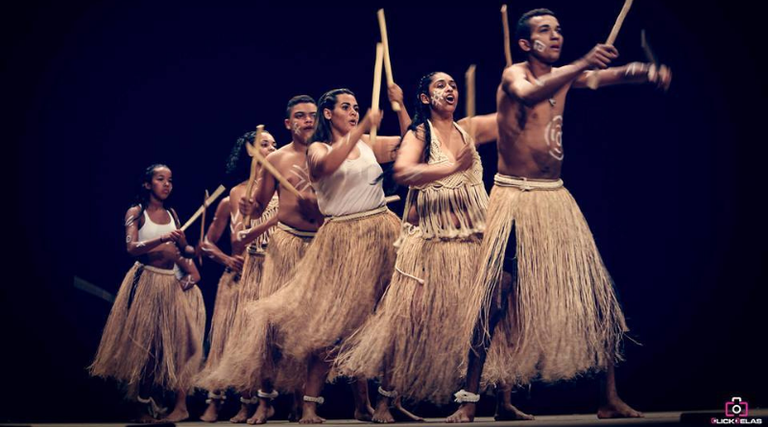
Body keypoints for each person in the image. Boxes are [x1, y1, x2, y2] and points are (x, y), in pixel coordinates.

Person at [446, 8, 671, 422]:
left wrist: (642, 72)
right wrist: (582, 62)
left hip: (555, 199)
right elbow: (530, 93)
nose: (555, 36)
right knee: (494, 301)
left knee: (594, 295)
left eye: (558, 30)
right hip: (515, 198)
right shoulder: (514, 75)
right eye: (545, 31)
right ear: (525, 43)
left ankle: (608, 398)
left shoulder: (565, 76)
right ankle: (469, 400)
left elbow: (604, 77)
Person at [90, 163, 205, 423]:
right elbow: (132, 247)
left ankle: (170, 403)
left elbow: (184, 253)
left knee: (172, 348)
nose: (167, 185)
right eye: (160, 179)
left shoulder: (173, 214)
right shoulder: (136, 212)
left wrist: (185, 245)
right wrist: (162, 239)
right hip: (147, 281)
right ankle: (140, 404)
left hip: (170, 283)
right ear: (146, 184)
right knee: (146, 348)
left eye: (170, 180)